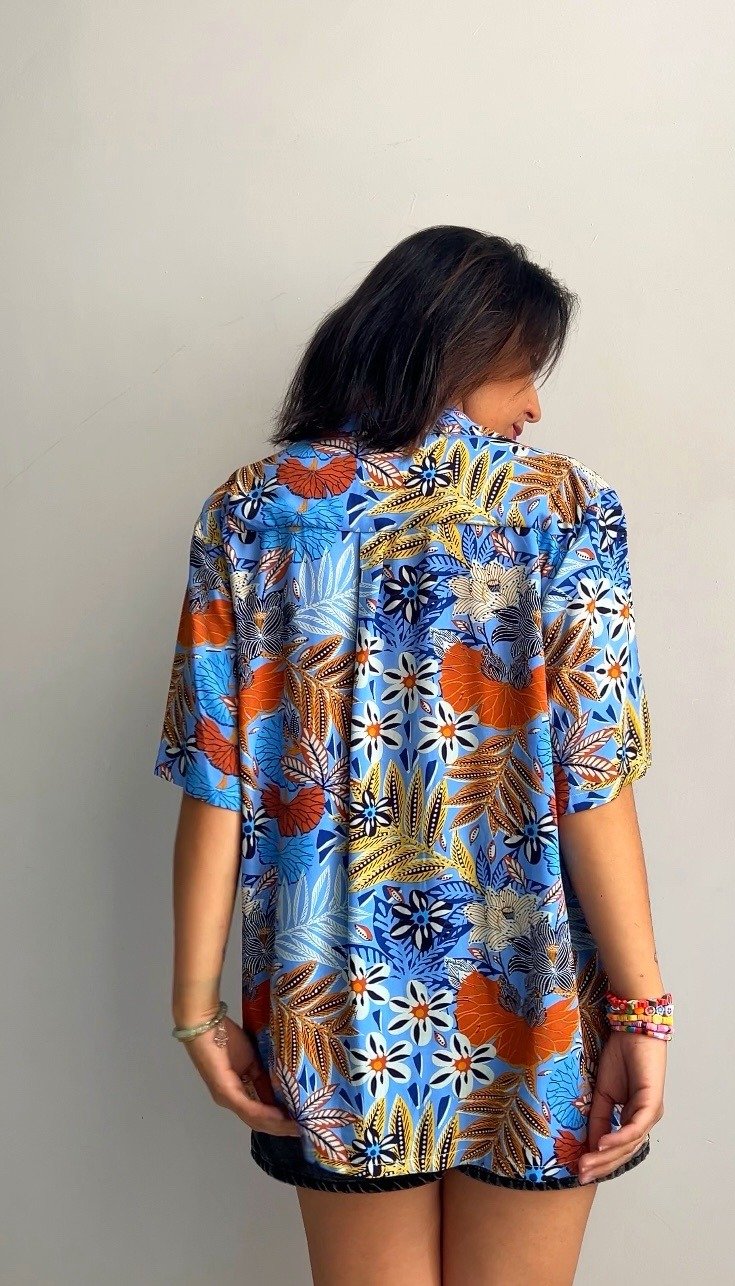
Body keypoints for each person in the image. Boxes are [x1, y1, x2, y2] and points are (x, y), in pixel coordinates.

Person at [153, 225, 670, 1286]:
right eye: (523, 368)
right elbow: (592, 779)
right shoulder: (561, 508)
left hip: (334, 1006)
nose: (534, 406)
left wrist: (196, 1008)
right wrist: (642, 1011)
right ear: (454, 349)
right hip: (529, 997)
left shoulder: (250, 511)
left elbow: (217, 784)